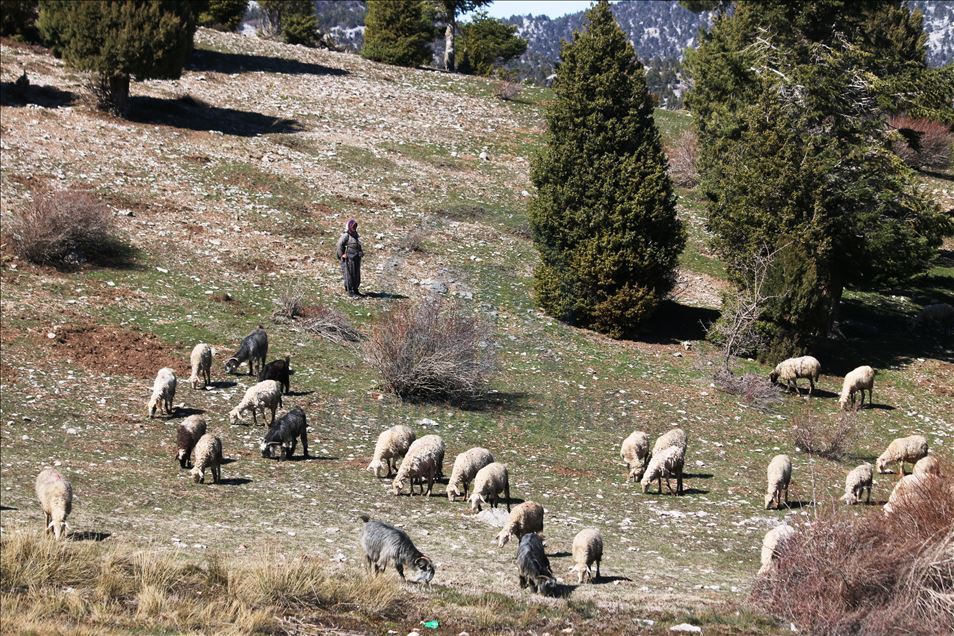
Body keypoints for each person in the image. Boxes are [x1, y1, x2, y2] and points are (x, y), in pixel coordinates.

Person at [336, 218, 363, 297]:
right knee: (349, 274)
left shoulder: (356, 235)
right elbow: (339, 245)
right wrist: (342, 254)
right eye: (353, 227)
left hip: (356, 258)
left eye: (355, 227)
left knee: (356, 274)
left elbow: (358, 245)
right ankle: (350, 291)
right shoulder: (346, 235)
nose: (354, 228)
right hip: (348, 259)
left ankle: (355, 289)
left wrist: (360, 252)